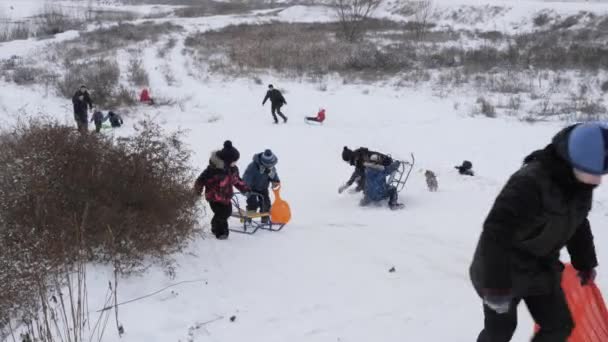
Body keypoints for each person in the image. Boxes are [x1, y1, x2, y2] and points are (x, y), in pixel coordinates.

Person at [469, 122, 606, 342]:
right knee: (499, 332)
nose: (597, 181)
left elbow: (578, 221)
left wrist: (585, 263)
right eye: (591, 173)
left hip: (540, 269)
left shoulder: (580, 183)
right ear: (572, 161)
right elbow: (495, 233)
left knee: (559, 326)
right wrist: (495, 287)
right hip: (501, 269)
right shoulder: (529, 183)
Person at [194, 140, 250, 240]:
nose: (236, 163)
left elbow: (236, 180)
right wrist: (197, 191)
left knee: (227, 212)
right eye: (234, 161)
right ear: (227, 161)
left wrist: (245, 189)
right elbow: (200, 180)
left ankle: (214, 225)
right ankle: (221, 232)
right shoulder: (213, 170)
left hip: (226, 196)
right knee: (222, 214)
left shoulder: (233, 169)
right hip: (213, 197)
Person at [243, 149, 280, 223]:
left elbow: (274, 175)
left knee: (266, 203)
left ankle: (264, 218)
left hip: (263, 188)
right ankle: (248, 218)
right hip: (252, 188)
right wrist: (246, 188)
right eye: (268, 165)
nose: (270, 167)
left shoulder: (271, 168)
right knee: (252, 204)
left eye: (271, 165)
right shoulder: (253, 167)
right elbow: (247, 178)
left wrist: (275, 181)